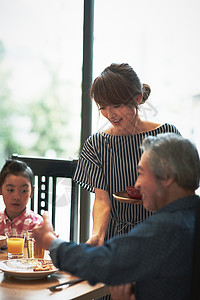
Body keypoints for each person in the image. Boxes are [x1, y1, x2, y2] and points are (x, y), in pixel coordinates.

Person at [33, 133, 200, 300]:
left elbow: (100, 262)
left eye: (141, 173)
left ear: (167, 177)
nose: (137, 184)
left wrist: (49, 241)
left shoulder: (165, 228)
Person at [73, 63, 180, 248]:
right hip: (117, 241)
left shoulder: (167, 136)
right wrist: (97, 235)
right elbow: (101, 200)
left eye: (117, 105)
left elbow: (181, 193)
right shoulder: (97, 144)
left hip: (160, 234)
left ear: (138, 98)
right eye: (103, 107)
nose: (110, 114)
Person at [0, 159, 43, 238]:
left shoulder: (37, 225)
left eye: (24, 191)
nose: (16, 197)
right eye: (10, 190)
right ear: (0, 190)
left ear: (32, 192)